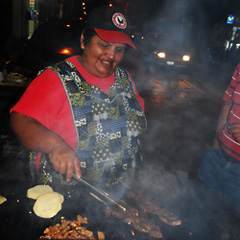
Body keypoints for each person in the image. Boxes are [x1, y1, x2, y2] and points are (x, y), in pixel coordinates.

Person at [10, 6, 147, 187]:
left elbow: (136, 130)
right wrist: (55, 145)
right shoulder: (56, 78)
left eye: (119, 49)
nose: (111, 55)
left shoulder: (125, 79)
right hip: (66, 195)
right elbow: (20, 120)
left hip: (117, 196)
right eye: (104, 45)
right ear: (84, 40)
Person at [198, 63, 240, 213]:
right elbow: (227, 105)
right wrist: (215, 144)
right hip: (217, 157)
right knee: (197, 209)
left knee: (230, 227)